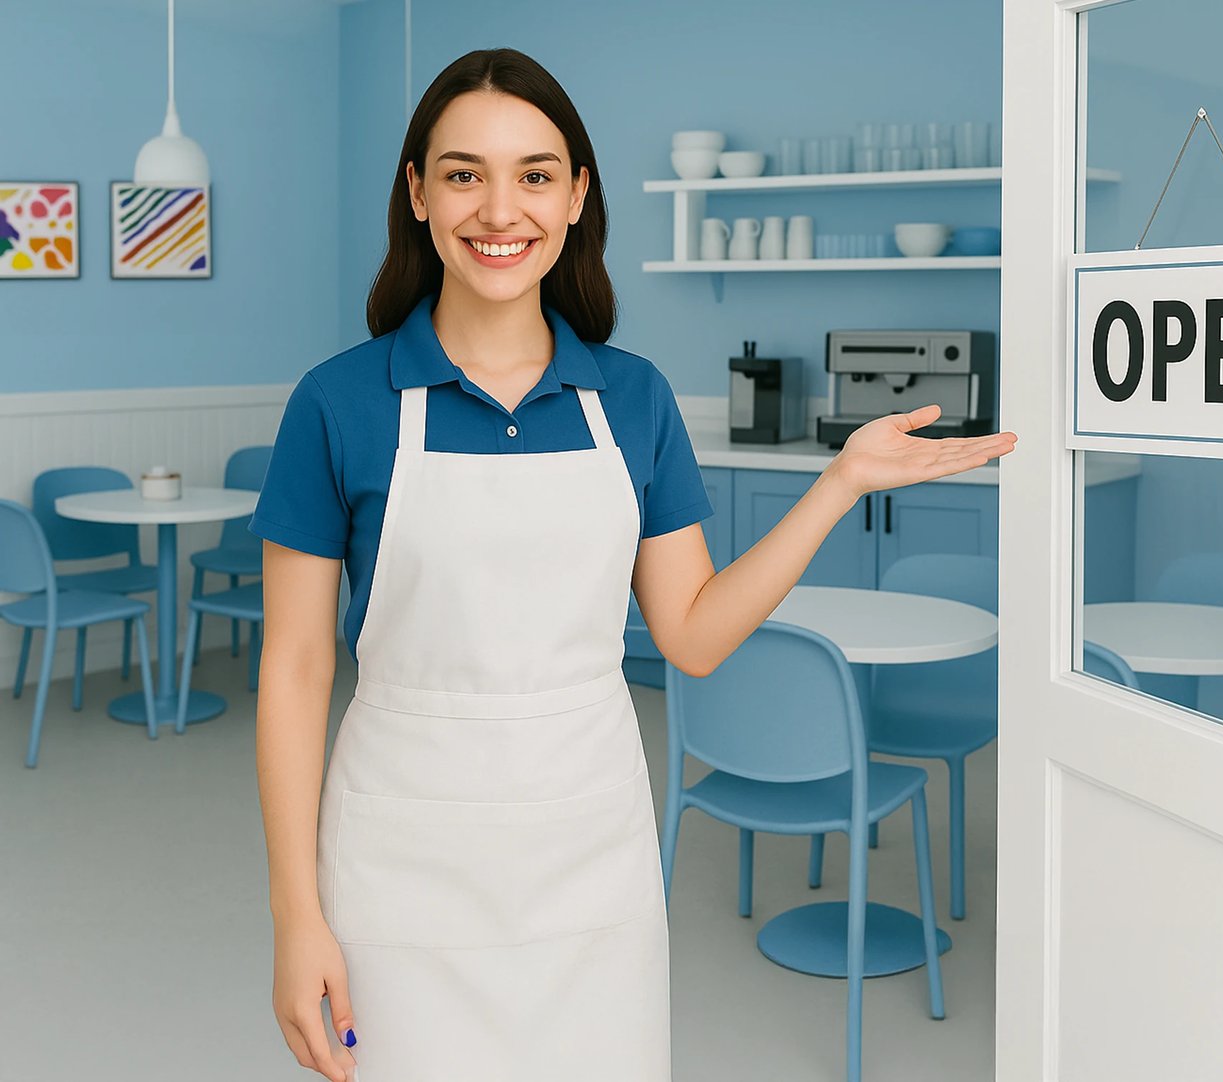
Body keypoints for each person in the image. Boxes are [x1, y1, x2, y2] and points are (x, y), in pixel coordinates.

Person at [250, 46, 1017, 1082]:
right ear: (418, 194)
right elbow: (294, 671)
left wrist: (836, 483)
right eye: (464, 172)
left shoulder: (635, 399)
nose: (498, 209)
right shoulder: (339, 403)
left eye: (534, 173)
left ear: (576, 197)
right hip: (400, 863)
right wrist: (298, 915)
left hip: (590, 855)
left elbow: (693, 634)